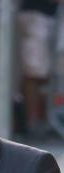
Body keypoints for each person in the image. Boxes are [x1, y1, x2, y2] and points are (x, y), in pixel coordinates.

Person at [18, 0, 60, 136]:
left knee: (46, 74)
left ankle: (45, 121)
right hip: (35, 15)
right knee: (34, 72)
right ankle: (32, 123)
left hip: (52, 15)